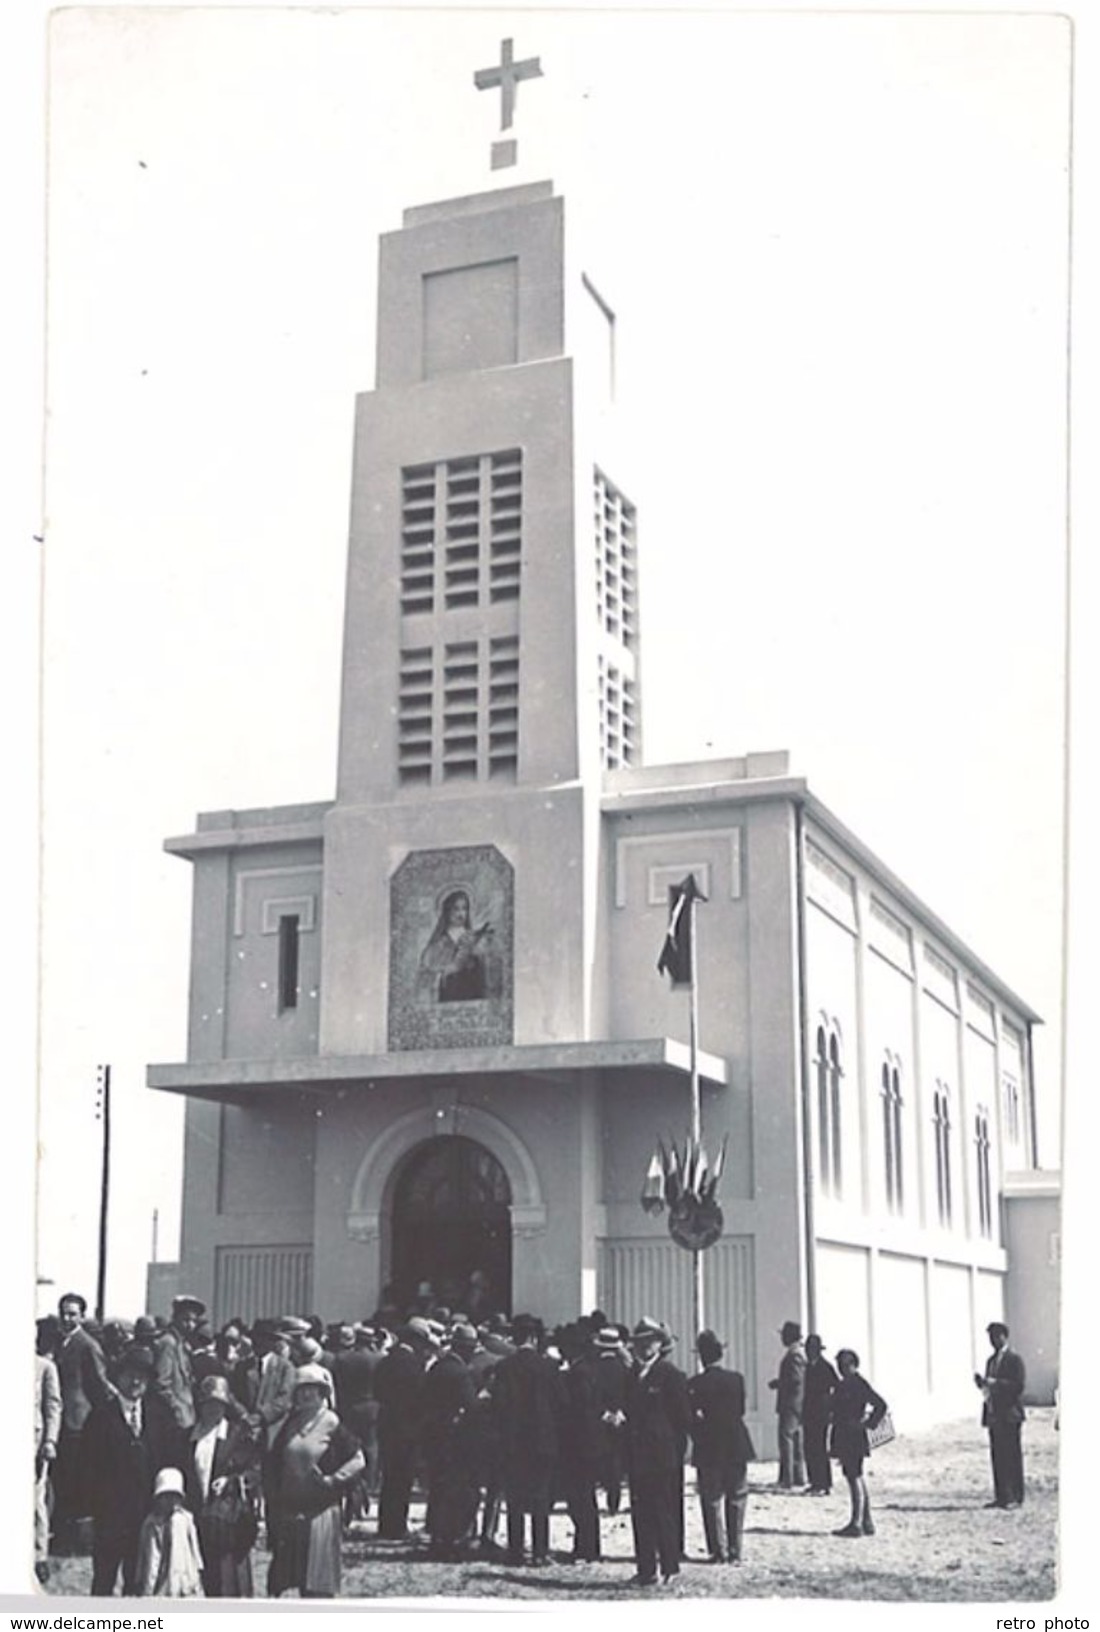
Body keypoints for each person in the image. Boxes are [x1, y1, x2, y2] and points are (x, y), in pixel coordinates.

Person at [81, 1343, 184, 1595]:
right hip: (109, 1518)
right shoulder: (100, 1417)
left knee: (139, 1582)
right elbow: (85, 1471)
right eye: (130, 1374)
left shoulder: (159, 1415)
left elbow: (173, 1460)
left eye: (143, 1375)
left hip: (146, 1518)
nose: (136, 1380)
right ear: (118, 1377)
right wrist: (86, 1515)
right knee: (103, 1583)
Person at [265, 1363, 365, 1598]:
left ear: (323, 1392)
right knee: (292, 1576)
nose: (306, 1394)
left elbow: (358, 1459)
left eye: (313, 1388)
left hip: (321, 1512)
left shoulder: (332, 1422)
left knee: (317, 1583)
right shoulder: (290, 1422)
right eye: (301, 1389)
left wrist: (334, 1480)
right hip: (292, 1511)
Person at [620, 1316, 691, 1587]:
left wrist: (673, 1452)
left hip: (662, 1458)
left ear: (660, 1344)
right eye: (639, 1342)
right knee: (641, 1512)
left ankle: (670, 1567)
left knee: (664, 1512)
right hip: (637, 1456)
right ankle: (646, 1568)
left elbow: (683, 1419)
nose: (643, 1347)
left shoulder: (671, 1376)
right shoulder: (631, 1377)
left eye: (649, 1342)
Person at [491, 1314, 564, 1566]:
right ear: (535, 1338)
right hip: (543, 1440)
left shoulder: (503, 1368)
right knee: (540, 1497)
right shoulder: (549, 1368)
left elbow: (497, 1406)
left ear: (515, 1337)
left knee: (515, 1498)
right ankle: (540, 1551)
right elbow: (561, 1404)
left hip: (512, 1440)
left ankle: (515, 1551)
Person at [184, 1374, 260, 1597]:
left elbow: (255, 1471)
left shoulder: (237, 1435)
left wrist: (232, 1481)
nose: (213, 1410)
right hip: (200, 1517)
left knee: (230, 1577)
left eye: (218, 1405)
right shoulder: (190, 1436)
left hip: (228, 1521)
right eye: (208, 1404)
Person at [51, 1292, 115, 1554]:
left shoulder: (87, 1345)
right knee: (62, 1481)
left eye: (73, 1314)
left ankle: (77, 1541)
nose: (67, 1318)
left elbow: (101, 1385)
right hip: (60, 1421)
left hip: (78, 1424)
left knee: (77, 1482)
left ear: (82, 1316)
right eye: (64, 1313)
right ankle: (62, 1534)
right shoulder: (59, 1342)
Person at [687, 1329, 756, 1565]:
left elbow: (691, 1419)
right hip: (736, 1443)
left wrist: (699, 1436)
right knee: (737, 1497)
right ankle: (736, 1550)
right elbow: (740, 1411)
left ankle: (718, 1550)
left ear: (702, 1357)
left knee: (711, 1498)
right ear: (720, 1354)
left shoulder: (695, 1384)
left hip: (709, 1446)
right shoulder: (736, 1379)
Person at [420, 1322, 479, 1559]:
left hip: (434, 1434)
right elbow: (471, 1406)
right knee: (456, 1489)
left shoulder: (437, 1367)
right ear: (465, 1348)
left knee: (438, 1487)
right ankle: (451, 1538)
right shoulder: (460, 1372)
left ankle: (436, 1535)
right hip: (454, 1438)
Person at [374, 1318, 434, 1540]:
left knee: (389, 1477)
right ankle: (397, 1526)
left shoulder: (386, 1361)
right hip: (408, 1428)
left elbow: (378, 1391)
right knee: (403, 1478)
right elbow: (421, 1398)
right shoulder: (413, 1365)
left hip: (387, 1425)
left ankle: (385, 1524)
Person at [828, 1348, 888, 1538]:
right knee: (856, 1476)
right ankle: (866, 1520)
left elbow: (881, 1404)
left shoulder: (857, 1384)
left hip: (852, 1435)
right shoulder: (847, 1384)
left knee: (854, 1477)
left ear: (853, 1364)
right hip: (848, 1434)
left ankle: (856, 1522)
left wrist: (868, 1424)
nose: (841, 1368)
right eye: (840, 1364)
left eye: (845, 1365)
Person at [974, 1321, 1027, 1509]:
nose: (993, 1340)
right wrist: (983, 1384)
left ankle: (1015, 1496)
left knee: (1012, 1455)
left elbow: (1018, 1386)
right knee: (998, 1456)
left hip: (1010, 1414)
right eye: (990, 1337)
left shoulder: (1014, 1360)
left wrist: (995, 1383)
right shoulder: (990, 1361)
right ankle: (1002, 1495)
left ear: (1004, 1336)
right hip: (994, 1414)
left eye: (996, 1336)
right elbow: (990, 1387)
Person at [134, 1467, 204, 1598]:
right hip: (162, 1581)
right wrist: (147, 1587)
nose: (170, 1501)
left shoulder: (186, 1519)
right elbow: (150, 1557)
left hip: (185, 1577)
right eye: (165, 1496)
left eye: (174, 1496)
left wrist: (197, 1570)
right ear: (158, 1497)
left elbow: (194, 1547)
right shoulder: (152, 1524)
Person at [418, 888, 493, 1002]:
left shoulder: (473, 937)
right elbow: (428, 968)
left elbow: (483, 968)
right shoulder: (440, 943)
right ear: (447, 912)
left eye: (464, 909)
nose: (460, 914)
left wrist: (477, 954)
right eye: (456, 909)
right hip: (450, 993)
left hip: (472, 991)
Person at [34, 1328, 62, 1586]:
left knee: (36, 1500)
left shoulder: (44, 1367)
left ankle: (39, 1555)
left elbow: (53, 1406)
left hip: (34, 1443)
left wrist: (50, 1440)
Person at [153, 1295, 205, 1432]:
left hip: (186, 1417)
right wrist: (177, 1410)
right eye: (186, 1319)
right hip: (171, 1421)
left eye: (194, 1321)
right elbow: (161, 1384)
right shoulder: (168, 1343)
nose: (190, 1325)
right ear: (175, 1317)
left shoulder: (182, 1345)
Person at [768, 1319, 807, 1490]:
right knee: (796, 1441)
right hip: (796, 1403)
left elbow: (795, 1380)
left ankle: (787, 1479)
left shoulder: (794, 1355)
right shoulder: (798, 1353)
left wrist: (779, 1384)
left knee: (787, 1440)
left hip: (791, 1403)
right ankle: (798, 1476)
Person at [803, 1334, 839, 1496]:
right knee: (810, 1447)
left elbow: (836, 1387)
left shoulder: (825, 1367)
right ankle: (814, 1481)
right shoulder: (808, 1367)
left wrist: (831, 1407)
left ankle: (823, 1482)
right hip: (809, 1413)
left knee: (819, 1448)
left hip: (820, 1414)